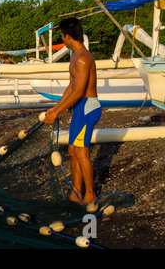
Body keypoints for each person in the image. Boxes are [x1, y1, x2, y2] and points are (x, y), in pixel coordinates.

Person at [43, 18, 101, 206]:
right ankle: (76, 192)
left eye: (62, 36)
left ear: (67, 36)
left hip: (87, 107)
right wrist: (55, 107)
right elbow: (71, 86)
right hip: (79, 108)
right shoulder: (74, 56)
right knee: (72, 150)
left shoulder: (84, 59)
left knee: (81, 152)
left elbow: (79, 91)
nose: (62, 39)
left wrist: (56, 112)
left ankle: (90, 195)